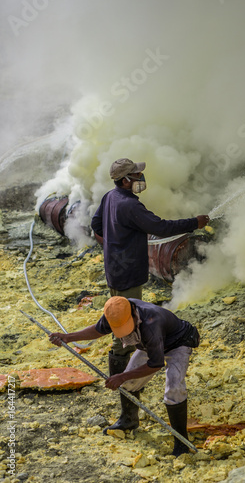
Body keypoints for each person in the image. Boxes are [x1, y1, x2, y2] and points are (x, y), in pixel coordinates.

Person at [90, 157, 209, 373]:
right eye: (136, 175)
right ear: (125, 180)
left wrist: (111, 246)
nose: (140, 177)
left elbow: (96, 224)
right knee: (125, 327)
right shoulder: (130, 205)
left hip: (113, 270)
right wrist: (195, 223)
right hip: (129, 274)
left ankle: (124, 375)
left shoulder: (110, 197)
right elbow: (160, 227)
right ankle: (121, 380)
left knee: (119, 315)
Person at [49, 296, 200, 457]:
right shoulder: (115, 311)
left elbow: (156, 364)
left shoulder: (151, 322)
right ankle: (128, 420)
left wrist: (122, 376)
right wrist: (69, 337)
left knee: (174, 388)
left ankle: (182, 441)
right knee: (129, 384)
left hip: (178, 342)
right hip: (149, 344)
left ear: (134, 315)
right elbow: (98, 330)